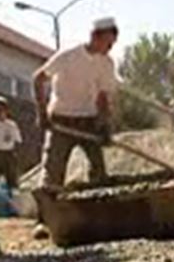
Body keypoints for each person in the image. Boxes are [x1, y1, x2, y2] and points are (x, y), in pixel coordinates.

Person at [33, 17, 120, 190]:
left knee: (98, 172)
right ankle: (49, 208)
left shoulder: (107, 64)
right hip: (61, 121)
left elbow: (102, 96)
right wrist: (42, 114)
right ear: (95, 37)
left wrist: (104, 124)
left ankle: (96, 206)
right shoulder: (68, 56)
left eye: (112, 45)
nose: (109, 49)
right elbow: (38, 79)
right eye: (107, 44)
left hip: (88, 121)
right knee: (52, 174)